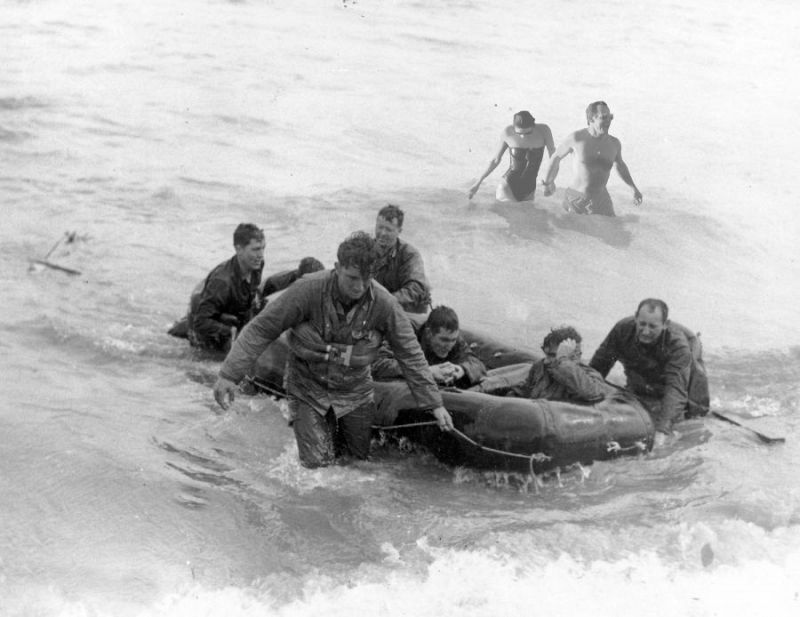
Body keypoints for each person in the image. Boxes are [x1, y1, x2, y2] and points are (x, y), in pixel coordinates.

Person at [213, 231, 454, 468]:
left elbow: (409, 352)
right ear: (337, 268)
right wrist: (229, 374)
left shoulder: (384, 303)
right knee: (316, 469)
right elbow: (261, 329)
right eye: (352, 278)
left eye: (366, 278)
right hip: (307, 385)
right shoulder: (308, 290)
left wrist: (434, 403)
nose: (359, 287)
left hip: (355, 391)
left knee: (356, 465)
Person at [589, 299, 710, 446]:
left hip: (684, 381)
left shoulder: (678, 346)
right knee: (637, 393)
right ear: (635, 318)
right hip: (644, 377)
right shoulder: (622, 330)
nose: (646, 331)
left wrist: (662, 431)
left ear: (665, 324)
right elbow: (598, 366)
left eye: (652, 326)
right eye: (642, 324)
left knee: (692, 415)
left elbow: (676, 390)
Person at [541, 101, 642, 216]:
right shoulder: (577, 139)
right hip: (577, 199)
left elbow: (620, 165)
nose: (608, 121)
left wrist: (633, 188)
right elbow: (556, 157)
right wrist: (547, 183)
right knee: (577, 233)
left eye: (610, 117)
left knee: (615, 232)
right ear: (590, 119)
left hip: (602, 200)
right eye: (603, 117)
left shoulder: (614, 144)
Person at [178, 223, 265, 351]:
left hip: (225, 313)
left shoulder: (257, 265)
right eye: (256, 249)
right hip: (203, 324)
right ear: (239, 250)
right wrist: (231, 331)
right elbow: (200, 322)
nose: (261, 254)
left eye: (263, 248)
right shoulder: (223, 282)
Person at [372, 305, 487, 389]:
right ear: (429, 333)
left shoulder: (454, 340)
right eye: (444, 340)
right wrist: (426, 371)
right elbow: (378, 363)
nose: (449, 346)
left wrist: (461, 369)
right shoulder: (405, 334)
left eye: (453, 340)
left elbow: (476, 363)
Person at [508, 326, 614, 403]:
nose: (546, 360)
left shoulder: (589, 376)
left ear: (575, 356)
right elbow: (524, 390)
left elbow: (592, 393)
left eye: (553, 355)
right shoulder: (540, 366)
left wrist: (562, 360)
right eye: (547, 354)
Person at [468, 110, 555, 202]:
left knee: (528, 216)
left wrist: (550, 181)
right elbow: (495, 160)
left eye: (527, 133)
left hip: (530, 190)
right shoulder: (507, 132)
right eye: (519, 133)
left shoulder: (544, 131)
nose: (522, 136)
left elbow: (554, 158)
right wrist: (478, 183)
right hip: (507, 187)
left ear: (533, 126)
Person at [373, 204, 431, 314]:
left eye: (389, 229)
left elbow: (416, 288)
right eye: (380, 227)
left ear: (399, 231)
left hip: (404, 310)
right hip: (376, 304)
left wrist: (384, 301)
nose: (383, 233)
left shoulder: (410, 255)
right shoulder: (366, 249)